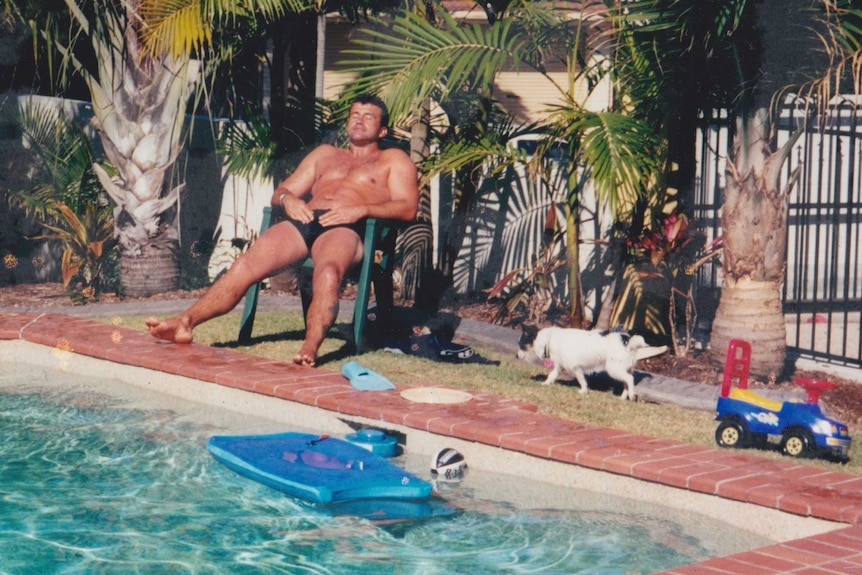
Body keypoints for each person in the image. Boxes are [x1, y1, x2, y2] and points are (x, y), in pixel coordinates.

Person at [145, 95, 419, 366]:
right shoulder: (325, 154)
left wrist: (363, 210)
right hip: (306, 219)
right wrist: (290, 200)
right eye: (354, 115)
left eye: (368, 117)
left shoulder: (392, 159)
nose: (359, 121)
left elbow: (407, 208)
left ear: (382, 130)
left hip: (347, 225)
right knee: (245, 264)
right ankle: (185, 322)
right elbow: (283, 191)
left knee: (326, 272)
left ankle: (310, 346)